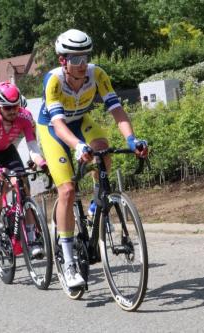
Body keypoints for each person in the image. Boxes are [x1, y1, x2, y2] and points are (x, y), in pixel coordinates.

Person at [37, 29, 148, 288]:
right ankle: (68, 261)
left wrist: (132, 140)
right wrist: (77, 146)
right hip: (54, 129)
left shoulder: (96, 74)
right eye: (74, 59)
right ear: (62, 60)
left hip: (81, 120)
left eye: (85, 57)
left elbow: (116, 110)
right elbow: (57, 122)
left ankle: (97, 206)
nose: (81, 64)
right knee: (67, 189)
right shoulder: (53, 80)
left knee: (103, 148)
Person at [0, 82, 48, 255]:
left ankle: (32, 238)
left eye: (15, 106)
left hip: (7, 150)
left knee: (23, 188)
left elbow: (32, 147)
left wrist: (41, 162)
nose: (13, 111)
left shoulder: (26, 117)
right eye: (7, 108)